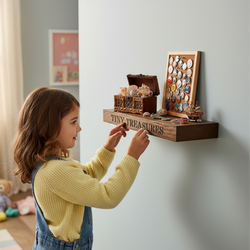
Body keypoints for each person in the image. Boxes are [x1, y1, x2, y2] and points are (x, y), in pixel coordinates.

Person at [13, 87, 149, 250]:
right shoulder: (55, 170)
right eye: (73, 121)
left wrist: (107, 149)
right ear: (49, 126)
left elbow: (86, 176)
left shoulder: (52, 162)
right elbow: (108, 196)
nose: (79, 128)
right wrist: (131, 157)